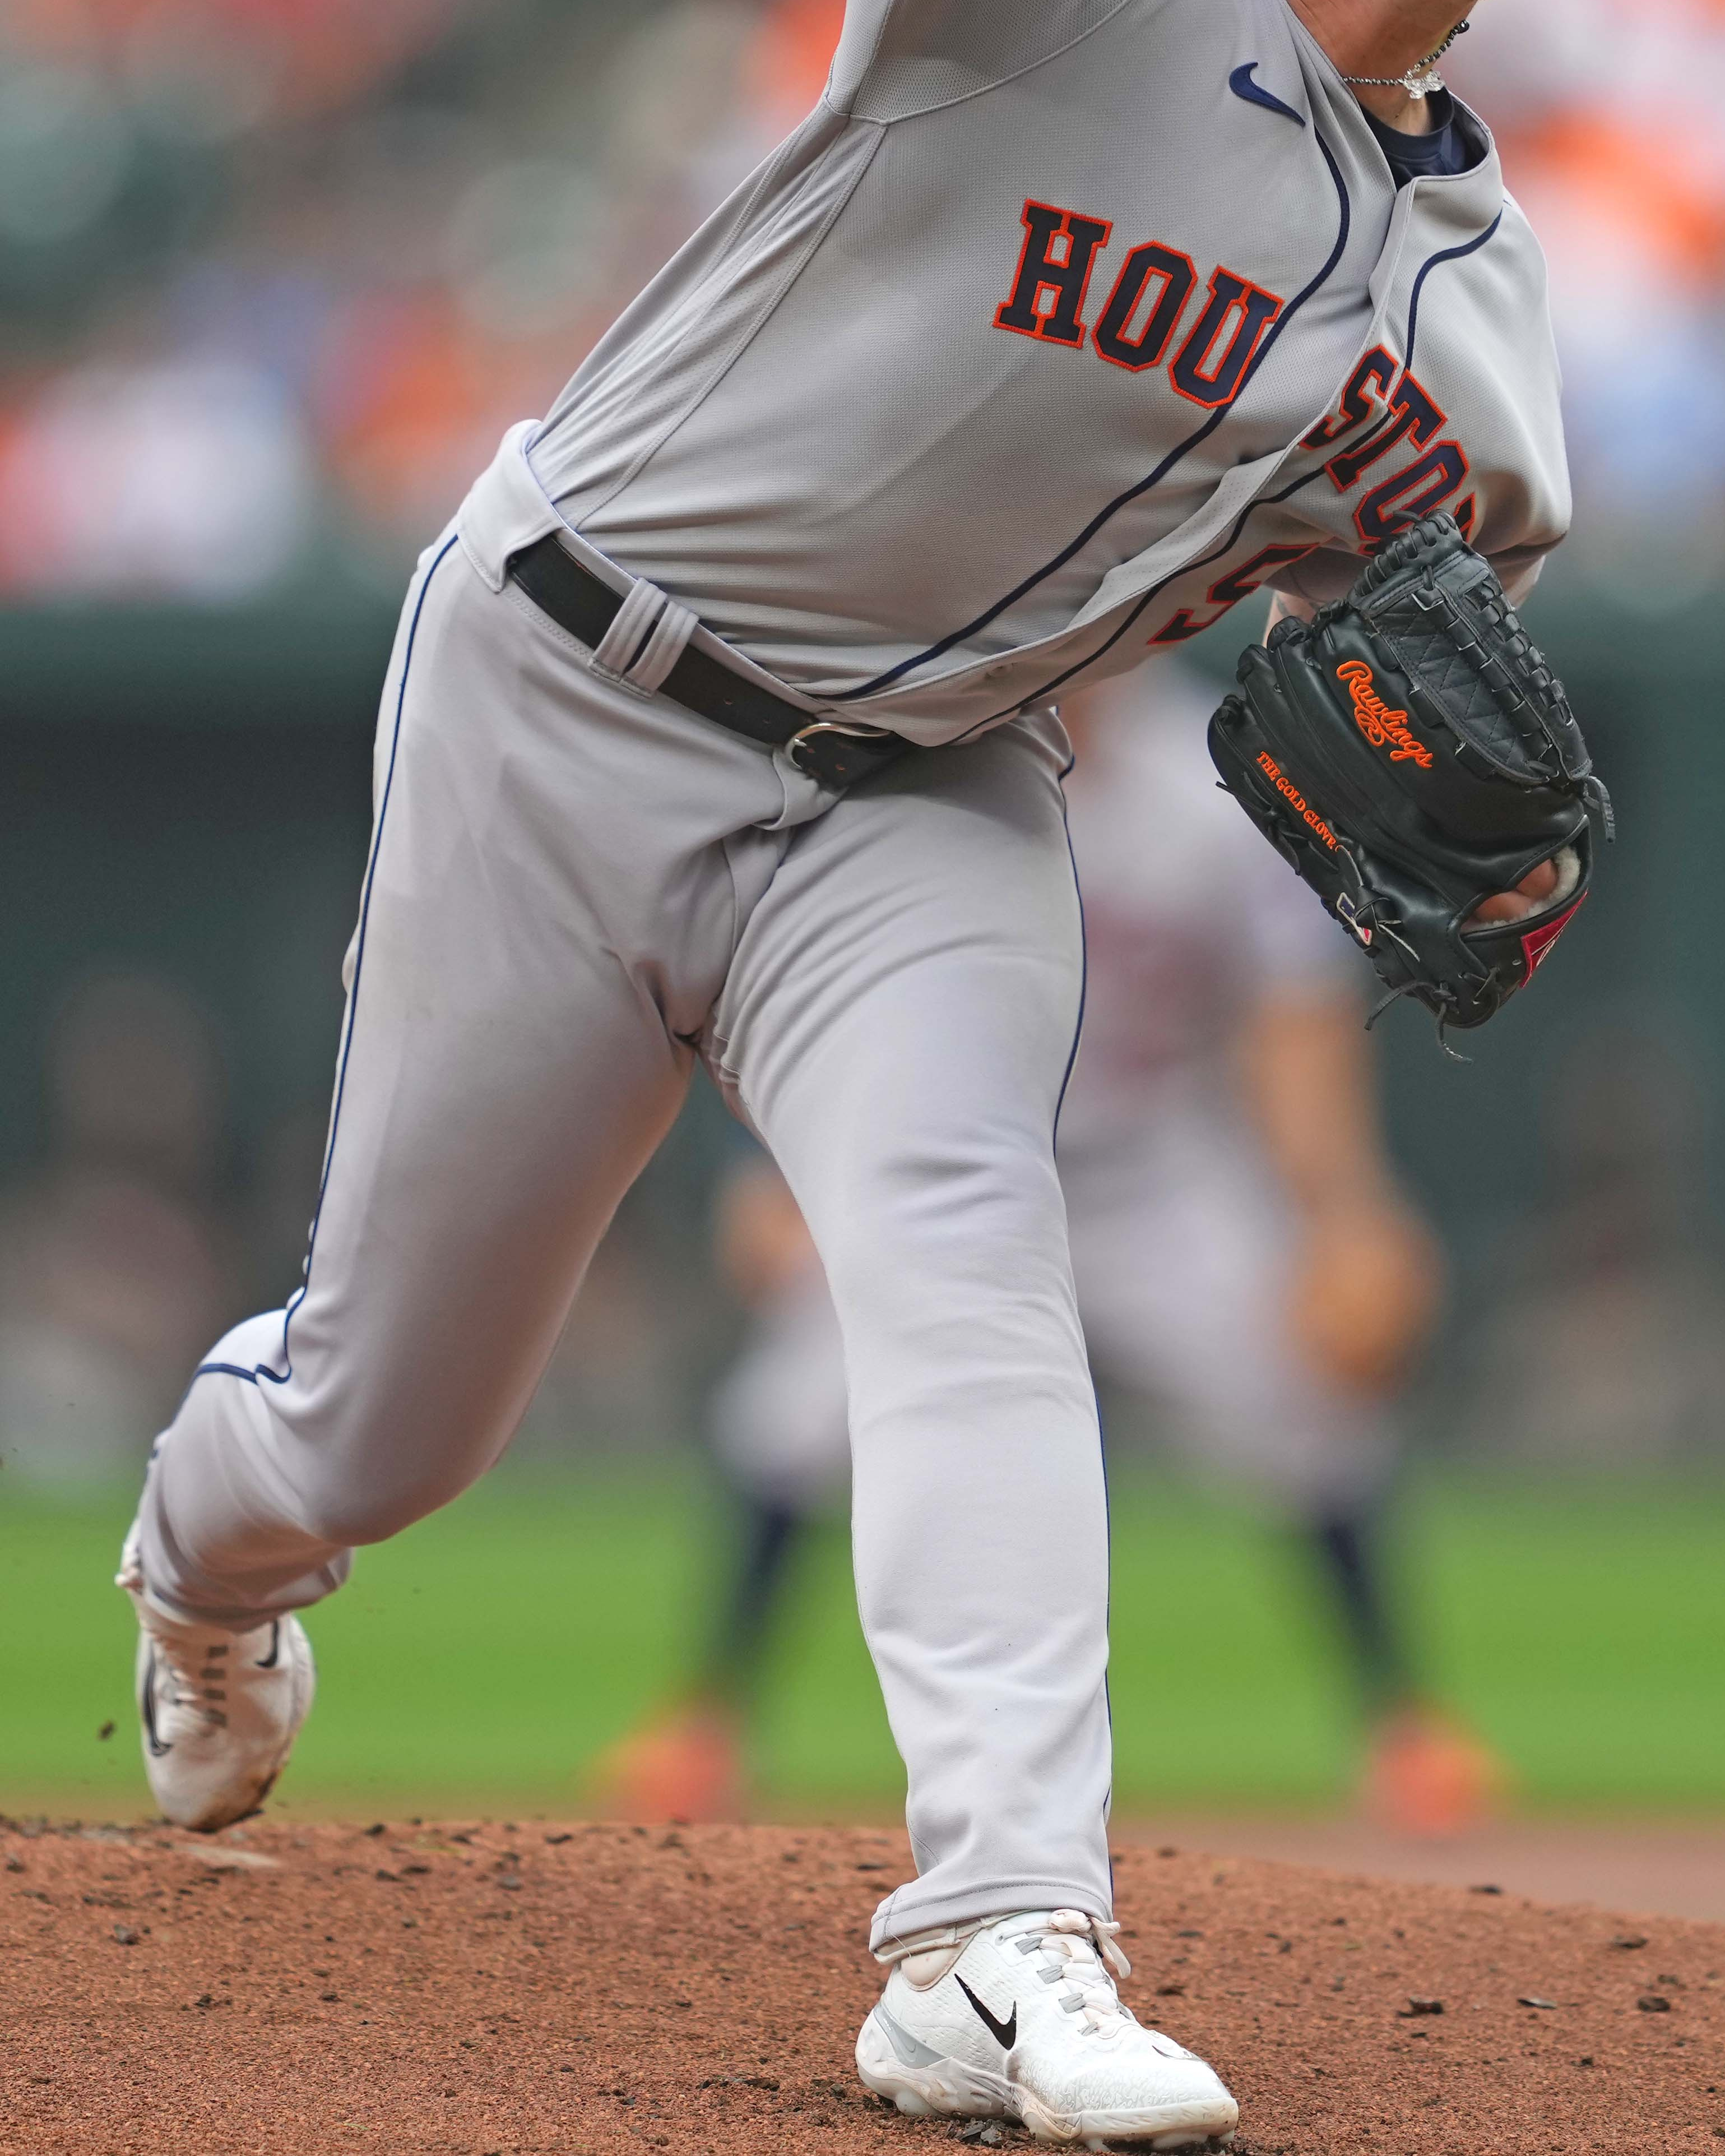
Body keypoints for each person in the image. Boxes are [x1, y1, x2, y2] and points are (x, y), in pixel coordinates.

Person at [117, 0, 1649, 2151]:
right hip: (578, 677)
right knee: (389, 1418)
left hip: (924, 790)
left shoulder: (1485, 338)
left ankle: (992, 1937)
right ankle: (204, 1571)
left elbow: (1355, 630)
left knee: (962, 1252)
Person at [599, 657, 1503, 1840]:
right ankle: (704, 1722)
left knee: (1307, 1405)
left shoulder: (1223, 786)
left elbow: (1293, 1017)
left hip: (1155, 1172)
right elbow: (810, 984)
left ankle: (1407, 1727)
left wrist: (1343, 1214)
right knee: (795, 1415)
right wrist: (785, 1166)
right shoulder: (907, 764)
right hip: (946, 1158)